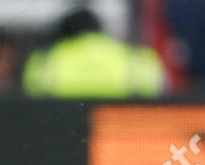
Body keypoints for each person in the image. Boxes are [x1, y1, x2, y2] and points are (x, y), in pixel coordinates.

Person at [22, 7, 164, 98]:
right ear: (100, 30)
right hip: (121, 139)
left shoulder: (44, 61)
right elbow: (158, 94)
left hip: (63, 136)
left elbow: (33, 105)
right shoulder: (136, 59)